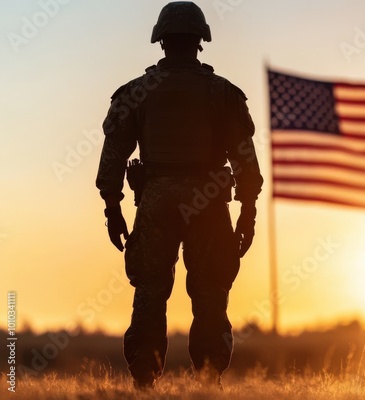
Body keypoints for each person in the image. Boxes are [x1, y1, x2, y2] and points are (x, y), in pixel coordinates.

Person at [95, 1, 263, 390]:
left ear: (161, 41)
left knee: (150, 292)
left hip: (155, 202)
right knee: (210, 294)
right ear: (200, 41)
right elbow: (245, 163)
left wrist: (113, 209)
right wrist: (248, 214)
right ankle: (207, 381)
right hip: (208, 203)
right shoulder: (223, 93)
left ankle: (143, 381)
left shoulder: (136, 92)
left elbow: (113, 156)